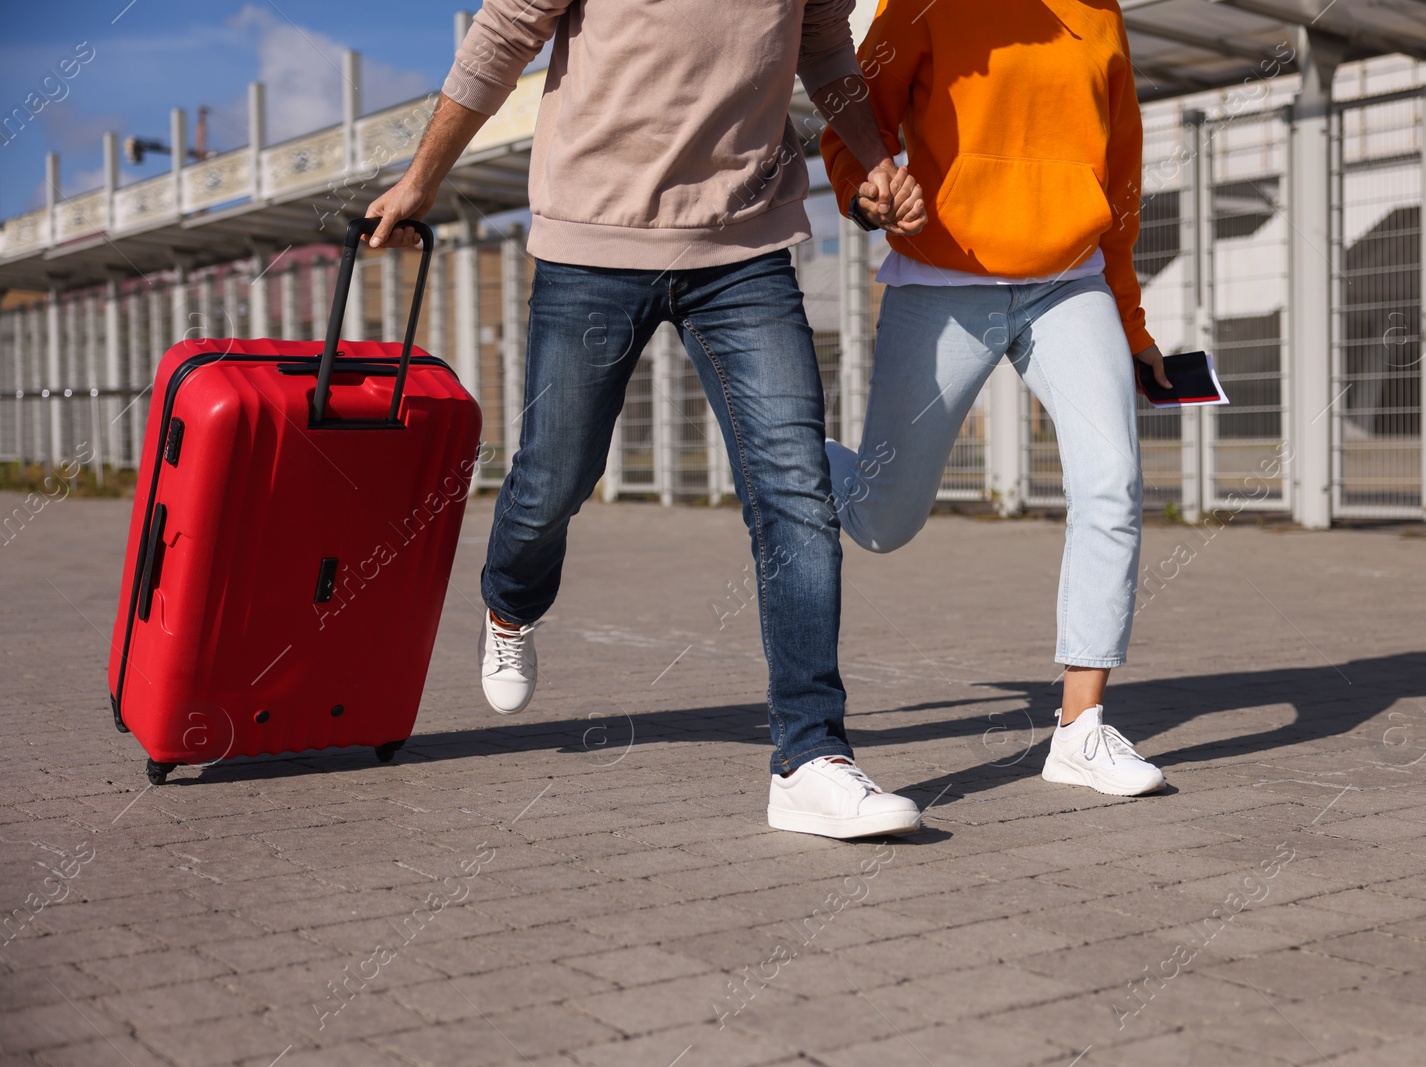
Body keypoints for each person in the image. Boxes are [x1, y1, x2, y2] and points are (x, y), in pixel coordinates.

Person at [367, 0, 929, 838]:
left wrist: (880, 157)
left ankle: (810, 757)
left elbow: (820, 44)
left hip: (743, 245)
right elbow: (503, 34)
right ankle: (510, 602)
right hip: (593, 240)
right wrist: (422, 181)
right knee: (556, 475)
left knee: (795, 491)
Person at [820, 0, 1169, 796]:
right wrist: (865, 195)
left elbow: (1120, 183)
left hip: (1069, 282)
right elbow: (849, 119)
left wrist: (1132, 322)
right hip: (942, 281)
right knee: (881, 519)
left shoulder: (1101, 13)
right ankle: (786, 445)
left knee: (1112, 480)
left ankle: (1080, 730)